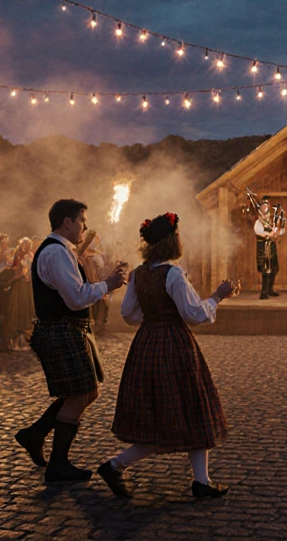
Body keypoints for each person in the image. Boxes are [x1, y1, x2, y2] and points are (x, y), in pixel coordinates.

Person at [97, 212, 235, 499]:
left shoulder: (138, 274)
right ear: (171, 242)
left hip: (146, 344)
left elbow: (128, 315)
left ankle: (201, 480)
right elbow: (195, 314)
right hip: (174, 344)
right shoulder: (173, 273)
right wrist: (218, 295)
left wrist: (152, 317)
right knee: (190, 407)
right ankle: (116, 465)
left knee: (162, 414)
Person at [15, 199, 126, 483]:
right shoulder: (56, 253)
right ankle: (58, 463)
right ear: (67, 221)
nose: (85, 226)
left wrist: (103, 280)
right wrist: (107, 285)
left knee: (87, 393)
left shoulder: (63, 251)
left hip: (68, 329)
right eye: (82, 220)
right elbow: (76, 299)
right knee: (80, 394)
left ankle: (35, 434)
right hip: (60, 329)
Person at [253, 197, 283, 299]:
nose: (266, 208)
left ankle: (270, 290)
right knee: (265, 270)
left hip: (271, 246)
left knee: (274, 268)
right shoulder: (258, 222)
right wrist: (269, 234)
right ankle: (263, 293)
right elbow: (259, 232)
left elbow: (276, 233)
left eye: (267, 206)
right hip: (263, 247)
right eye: (263, 206)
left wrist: (276, 234)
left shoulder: (270, 221)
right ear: (260, 208)